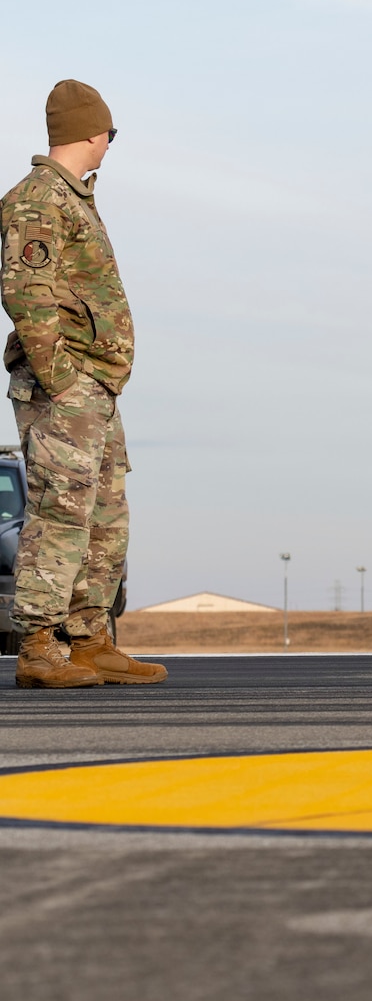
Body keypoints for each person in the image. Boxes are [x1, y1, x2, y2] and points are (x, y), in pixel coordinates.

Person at [1, 81, 164, 688]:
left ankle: (88, 639)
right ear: (93, 133)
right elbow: (25, 291)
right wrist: (60, 379)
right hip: (66, 385)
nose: (109, 145)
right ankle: (40, 647)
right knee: (60, 510)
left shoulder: (73, 198)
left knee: (104, 512)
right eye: (110, 134)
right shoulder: (38, 199)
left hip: (94, 384)